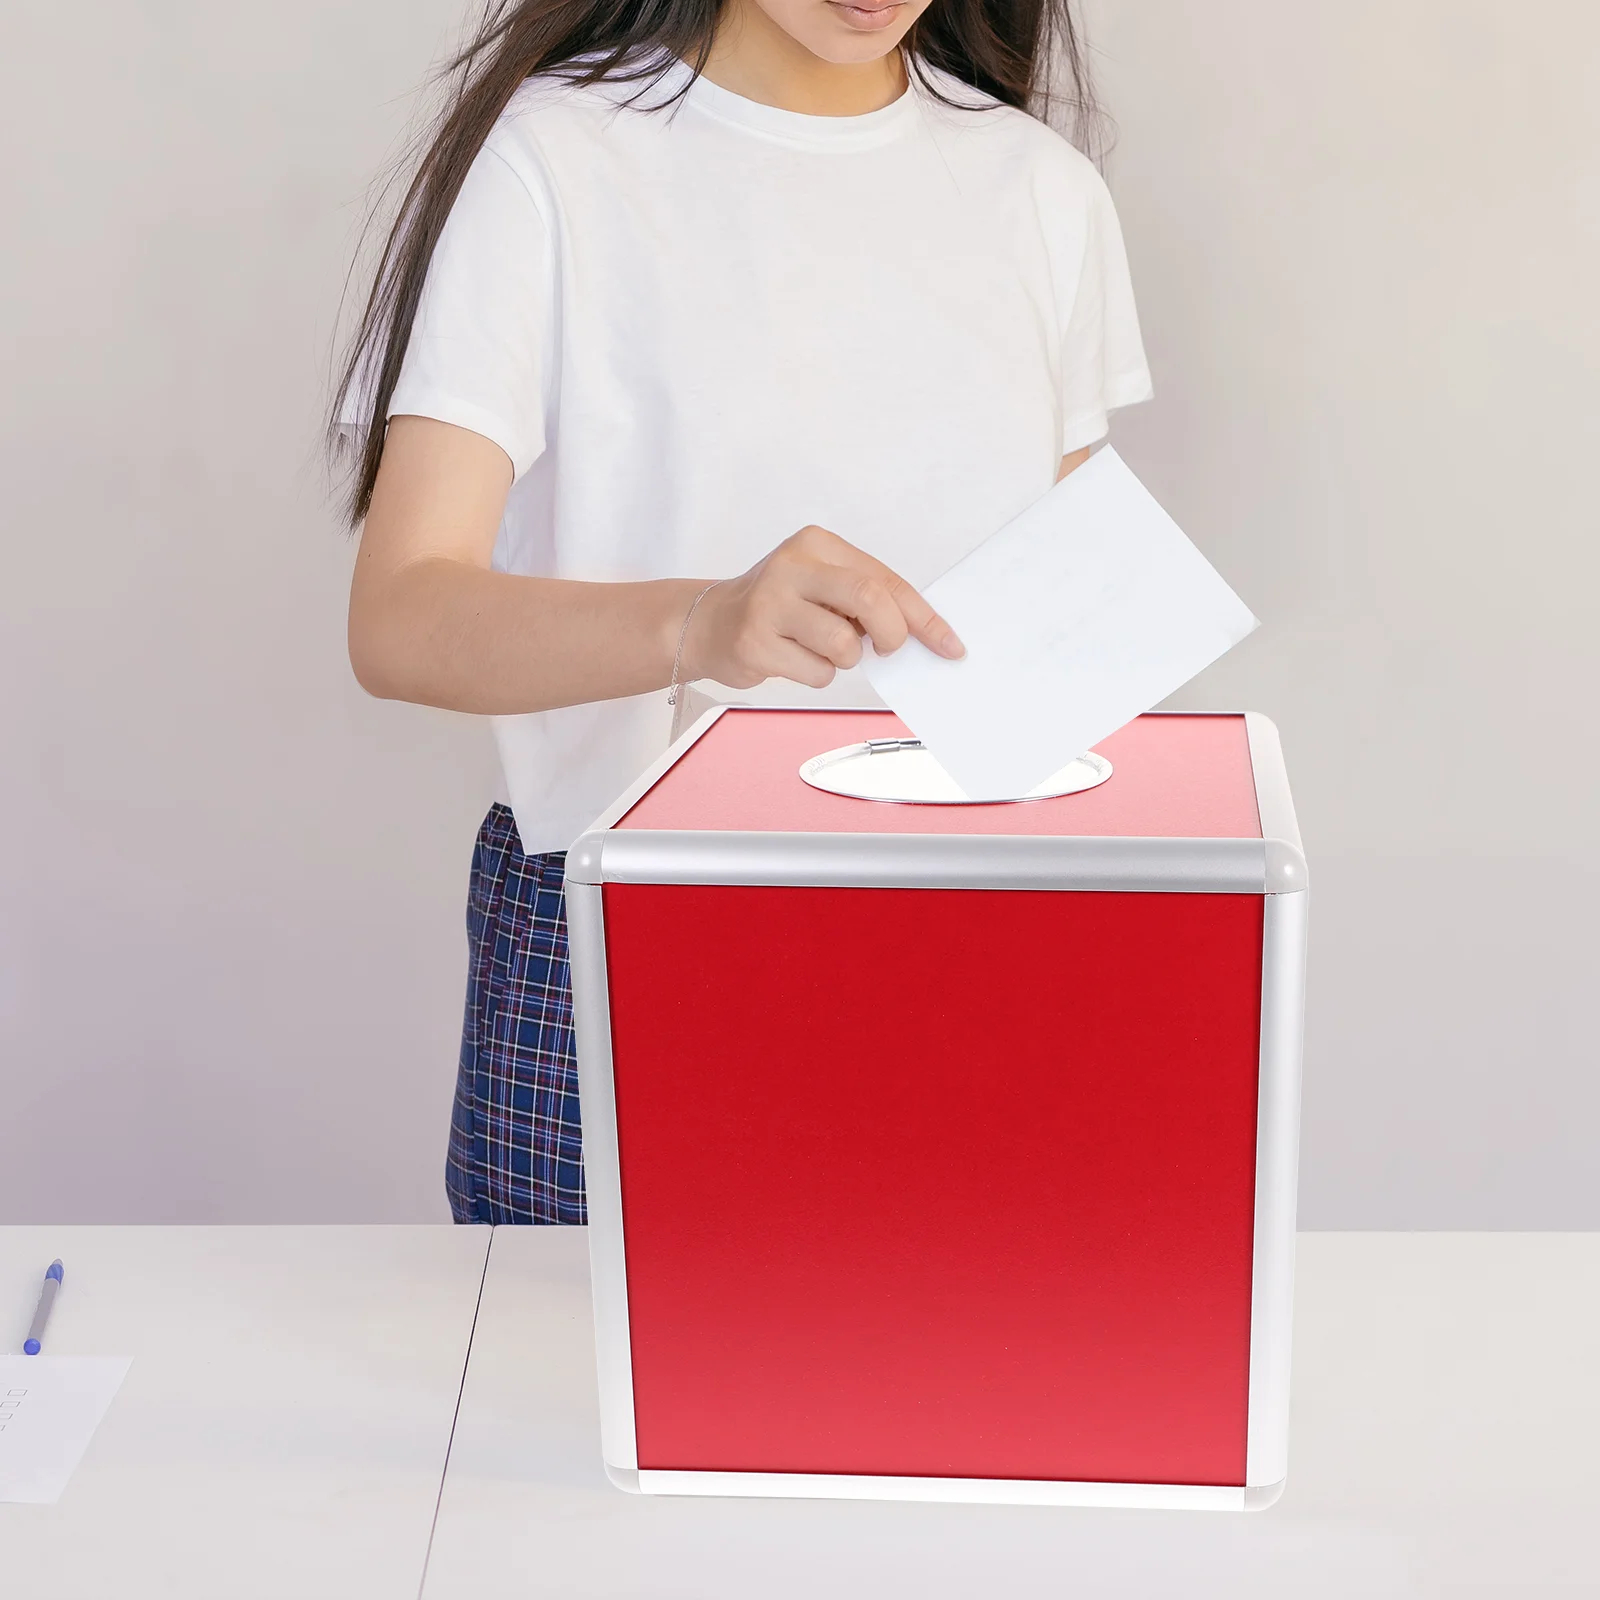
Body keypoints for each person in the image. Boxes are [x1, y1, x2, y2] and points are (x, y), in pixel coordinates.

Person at [332, 0, 1151, 1225]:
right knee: (554, 1404)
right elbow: (397, 617)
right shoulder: (557, 158)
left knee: (937, 1398)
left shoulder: (1042, 192)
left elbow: (1067, 639)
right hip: (622, 931)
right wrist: (702, 622)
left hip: (974, 940)